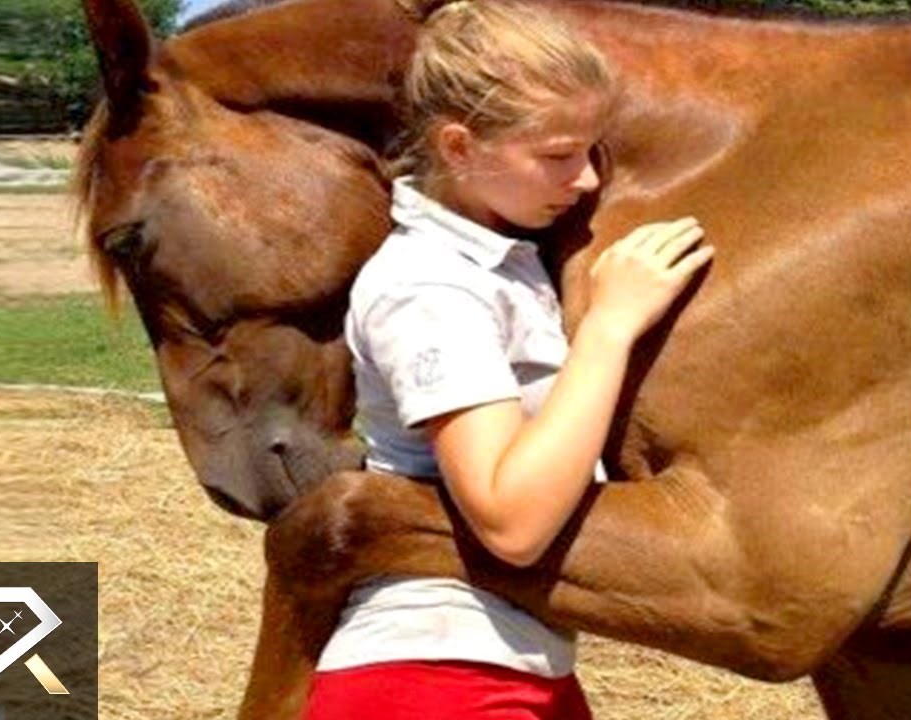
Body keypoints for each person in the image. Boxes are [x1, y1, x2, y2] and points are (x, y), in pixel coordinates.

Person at [304, 1, 714, 718]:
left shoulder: (497, 258)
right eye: (557, 155)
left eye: (593, 152)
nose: (585, 180)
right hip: (430, 680)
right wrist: (609, 328)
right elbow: (511, 522)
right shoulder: (428, 287)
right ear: (458, 148)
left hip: (510, 667)